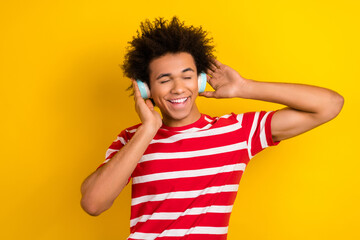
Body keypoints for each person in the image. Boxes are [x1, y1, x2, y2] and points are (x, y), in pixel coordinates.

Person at [80, 16, 344, 239]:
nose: (179, 88)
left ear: (201, 79)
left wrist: (244, 87)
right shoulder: (132, 139)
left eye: (187, 76)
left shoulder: (237, 132)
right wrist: (148, 129)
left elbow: (329, 105)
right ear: (144, 87)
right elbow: (93, 203)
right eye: (164, 79)